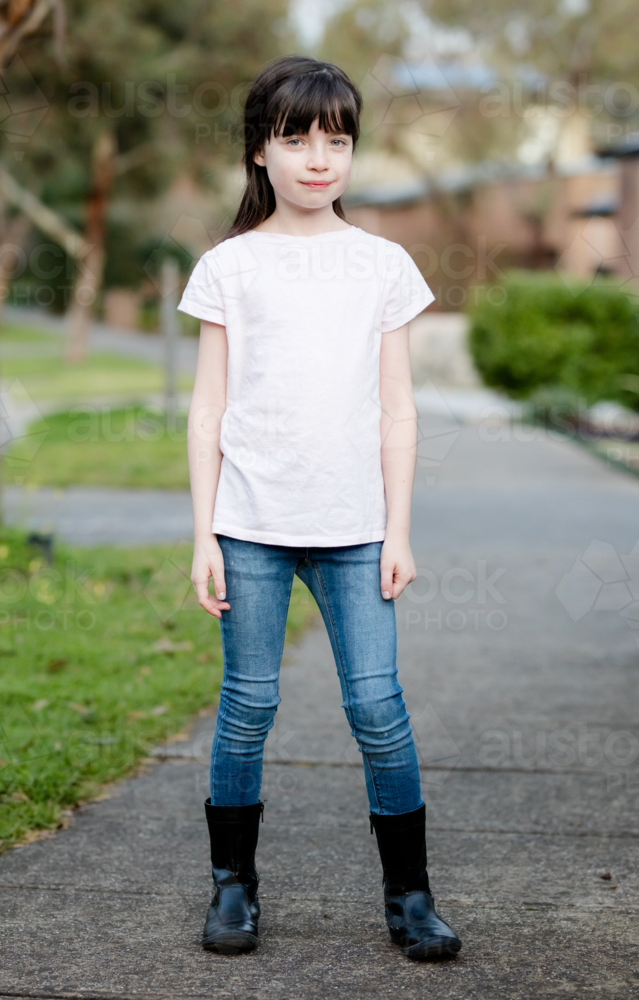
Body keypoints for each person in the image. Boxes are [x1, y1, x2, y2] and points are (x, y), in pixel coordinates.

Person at [177, 53, 461, 962]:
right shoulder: (230, 266)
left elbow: (398, 408)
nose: (317, 159)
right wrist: (202, 536)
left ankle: (409, 898)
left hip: (355, 531)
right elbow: (208, 407)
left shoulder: (380, 265)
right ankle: (233, 890)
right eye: (296, 139)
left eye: (335, 140)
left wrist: (399, 531)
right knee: (246, 708)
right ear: (259, 150)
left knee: (378, 707)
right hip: (250, 525)